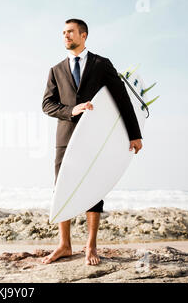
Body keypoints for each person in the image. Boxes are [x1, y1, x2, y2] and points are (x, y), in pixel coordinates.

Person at [41, 18, 143, 265]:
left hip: (95, 136)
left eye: (71, 32)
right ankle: (64, 245)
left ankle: (90, 247)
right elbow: (47, 105)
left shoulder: (101, 64)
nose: (66, 36)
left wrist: (134, 133)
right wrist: (72, 110)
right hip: (66, 137)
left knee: (93, 188)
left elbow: (121, 98)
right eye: (63, 33)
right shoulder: (56, 70)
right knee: (61, 188)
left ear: (83, 35)